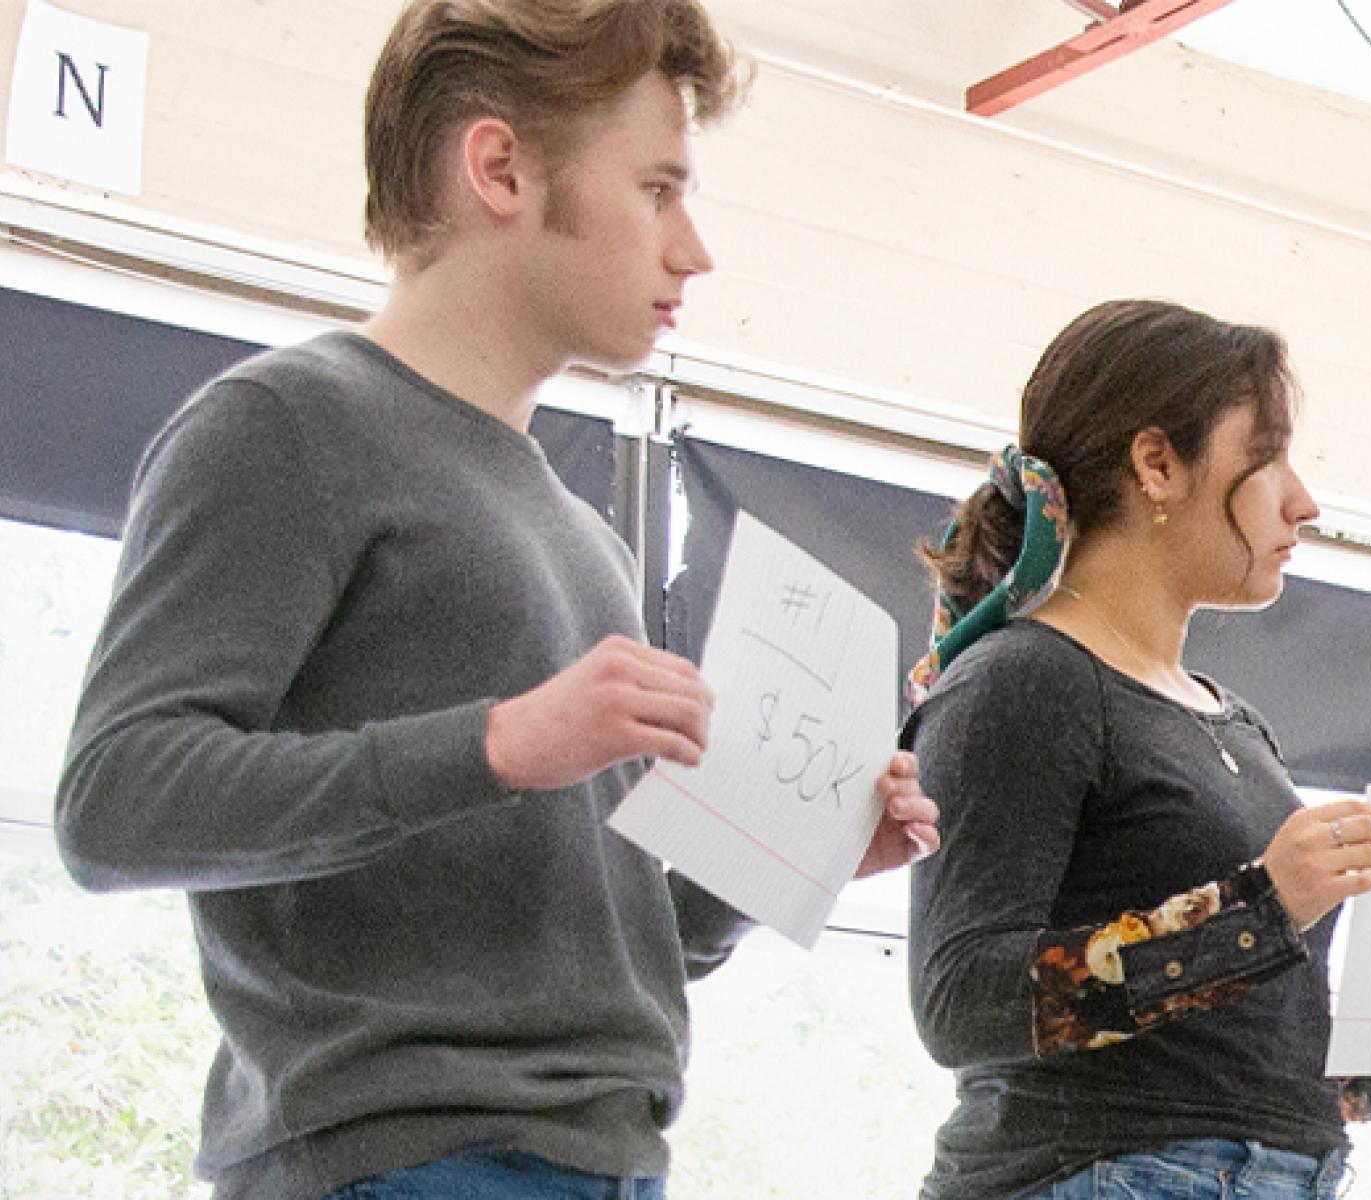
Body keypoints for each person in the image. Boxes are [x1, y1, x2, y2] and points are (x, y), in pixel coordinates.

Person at [53, 2, 942, 1197]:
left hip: (604, 1160)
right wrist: (499, 743)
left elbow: (601, 934)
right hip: (399, 1160)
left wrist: (792, 862)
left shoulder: (582, 536)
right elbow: (113, 805)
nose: (695, 251)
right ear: (500, 168)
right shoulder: (283, 428)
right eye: (657, 191)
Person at [903, 298, 1371, 1200]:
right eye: (1267, 459)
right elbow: (959, 1001)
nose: (1304, 501)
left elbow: (1235, 1053)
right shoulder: (1024, 678)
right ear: (1157, 464)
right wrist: (1264, 906)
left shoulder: (1233, 720)